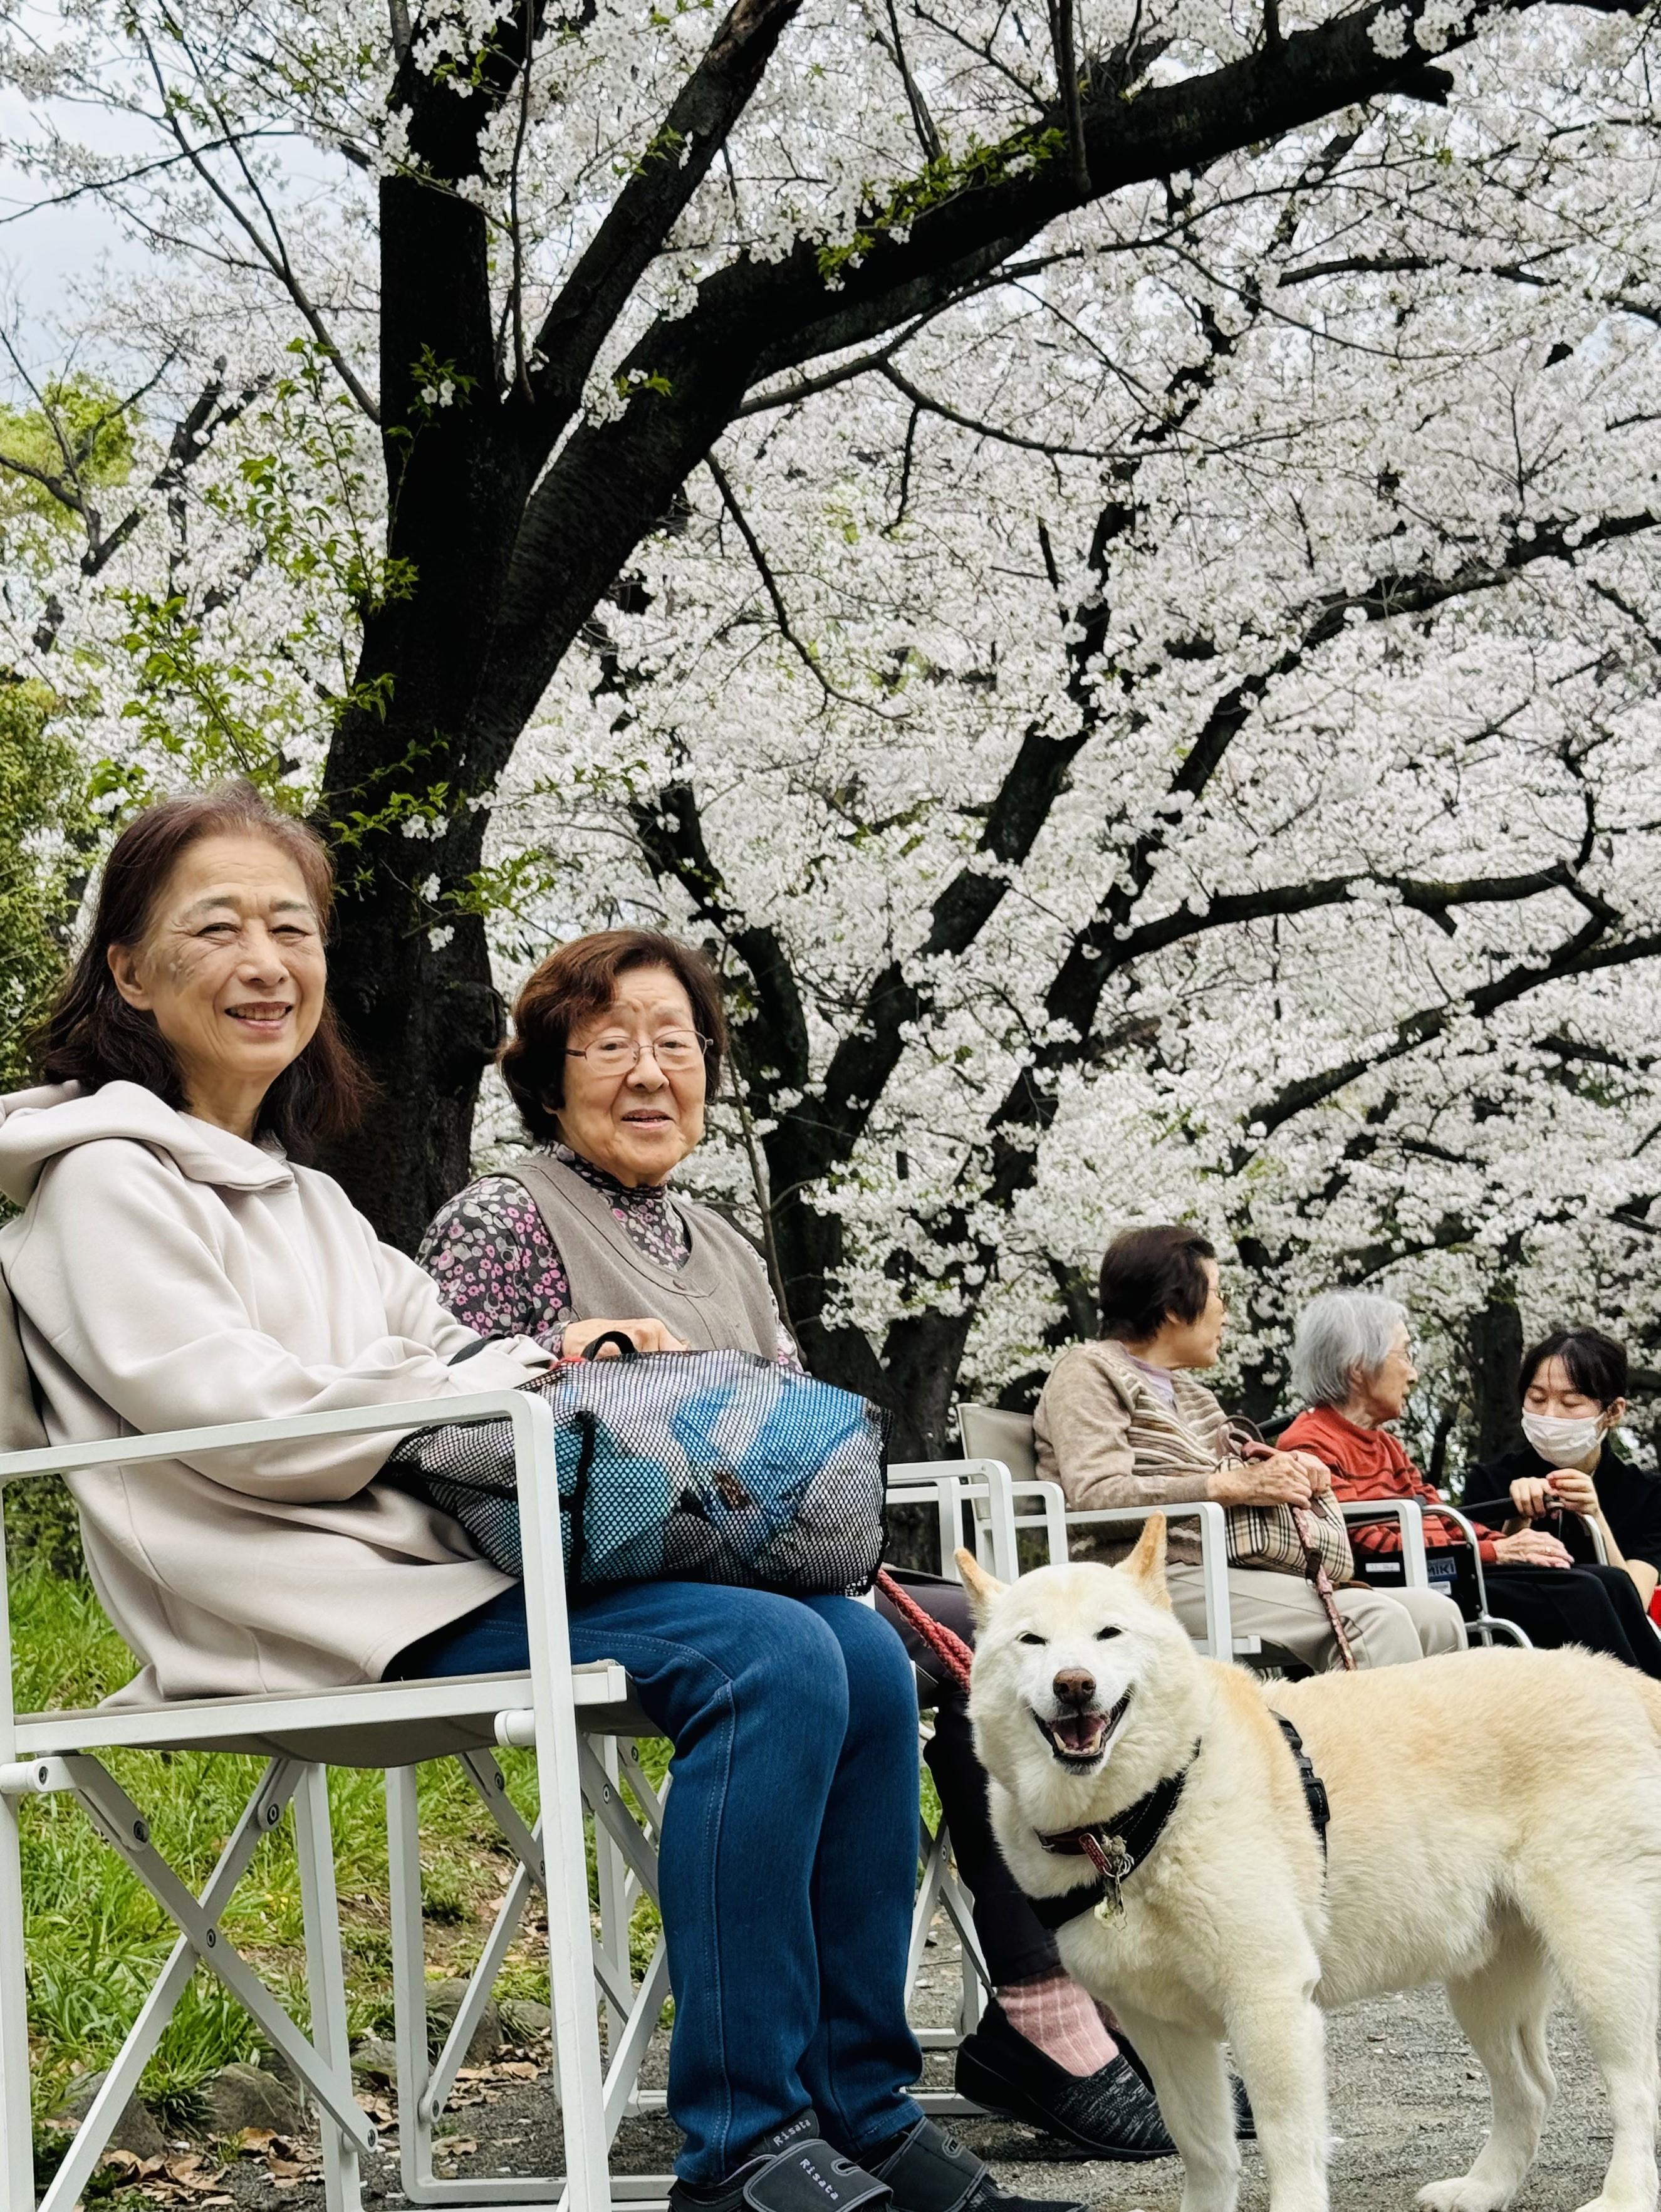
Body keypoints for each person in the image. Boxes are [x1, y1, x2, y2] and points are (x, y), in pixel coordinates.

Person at [0, 788, 1070, 2212]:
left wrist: (554, 1357)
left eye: (290, 927)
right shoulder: (99, 1189)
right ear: (126, 970)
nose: (265, 961)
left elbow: (426, 1345)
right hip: (293, 1603)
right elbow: (235, 1424)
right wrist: (479, 1388)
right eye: (217, 927)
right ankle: (744, 2148)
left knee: (863, 1654)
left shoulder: (302, 1199)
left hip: (415, 1567)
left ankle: (857, 2108)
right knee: (762, 1661)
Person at [419, 929, 1171, 2164]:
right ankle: (771, 2112)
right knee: (806, 1651)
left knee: (901, 1654)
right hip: (561, 1585)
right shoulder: (504, 1218)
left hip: (739, 1572)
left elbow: (793, 1449)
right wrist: (570, 1374)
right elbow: (447, 1430)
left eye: (677, 1044)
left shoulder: (718, 1242)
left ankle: (871, 2095)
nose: (651, 1071)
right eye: (609, 1046)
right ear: (546, 1077)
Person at [1035, 1226, 1466, 1670]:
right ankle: (1360, 1741)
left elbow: (1240, 1478)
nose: (1225, 1314)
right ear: (1171, 1305)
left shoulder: (1194, 1396)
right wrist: (1227, 1486)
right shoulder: (1087, 1372)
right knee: (1375, 1621)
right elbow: (1095, 1496)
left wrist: (1289, 1466)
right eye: (1219, 1295)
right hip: (1141, 1575)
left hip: (1229, 1568)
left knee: (1435, 1615)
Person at [1279, 1297, 1661, 1680]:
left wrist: (1505, 1543)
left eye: (1570, 1403)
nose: (1413, 1374)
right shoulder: (1313, 1444)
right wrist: (1498, 1548)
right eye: (1406, 1356)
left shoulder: (1384, 1444)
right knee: (1580, 1591)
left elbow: (1443, 1518)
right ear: (1359, 1368)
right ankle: (1641, 1709)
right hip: (1409, 1580)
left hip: (1441, 1570)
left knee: (1605, 1580)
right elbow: (1360, 1539)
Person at [1462, 1326, 1661, 1667]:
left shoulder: (1647, 1495)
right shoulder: (1490, 1481)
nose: (1550, 1416)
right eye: (1537, 1399)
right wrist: (1517, 1519)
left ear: (1613, 1412)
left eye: (1570, 1403)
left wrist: (1594, 1516)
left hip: (1609, 1656)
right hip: (1518, 1656)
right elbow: (1481, 1588)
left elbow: (1635, 1601)